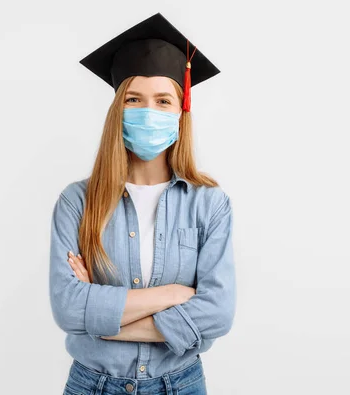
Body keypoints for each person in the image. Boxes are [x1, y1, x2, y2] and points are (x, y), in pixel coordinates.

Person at [49, 12, 236, 395]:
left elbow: (217, 313)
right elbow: (68, 309)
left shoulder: (210, 205)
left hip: (180, 385)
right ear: (118, 109)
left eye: (163, 100)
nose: (148, 111)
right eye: (134, 99)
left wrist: (102, 320)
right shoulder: (77, 202)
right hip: (92, 385)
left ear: (180, 115)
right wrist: (173, 296)